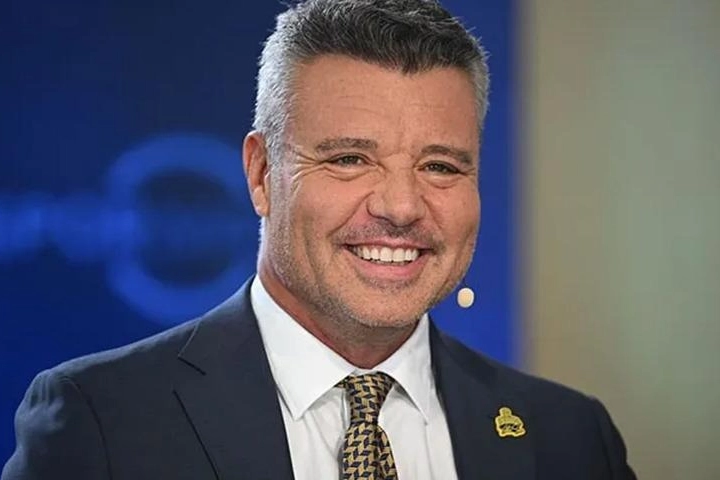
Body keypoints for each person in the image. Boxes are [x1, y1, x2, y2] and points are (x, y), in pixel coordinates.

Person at [2, 1, 636, 479]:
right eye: (350, 159)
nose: (401, 207)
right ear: (261, 175)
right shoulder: (100, 422)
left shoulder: (571, 438)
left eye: (440, 166)